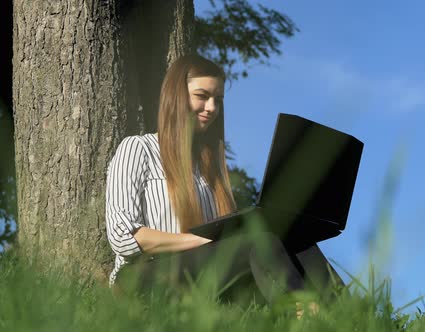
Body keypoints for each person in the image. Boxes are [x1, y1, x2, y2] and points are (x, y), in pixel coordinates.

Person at [104, 54, 342, 317]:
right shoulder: (138, 148)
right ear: (175, 97)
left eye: (217, 100)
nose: (211, 107)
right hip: (143, 279)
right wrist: (197, 240)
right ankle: (304, 313)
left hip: (200, 276)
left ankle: (351, 315)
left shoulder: (211, 171)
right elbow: (123, 237)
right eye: (202, 96)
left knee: (298, 240)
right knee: (258, 242)